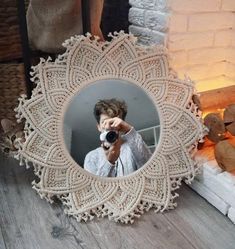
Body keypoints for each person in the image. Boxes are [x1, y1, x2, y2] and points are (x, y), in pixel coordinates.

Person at [84, 99, 152, 177]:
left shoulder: (134, 146)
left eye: (113, 121)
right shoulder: (91, 157)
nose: (109, 126)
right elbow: (94, 187)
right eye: (104, 122)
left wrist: (129, 129)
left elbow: (151, 169)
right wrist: (109, 162)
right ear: (99, 127)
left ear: (121, 123)